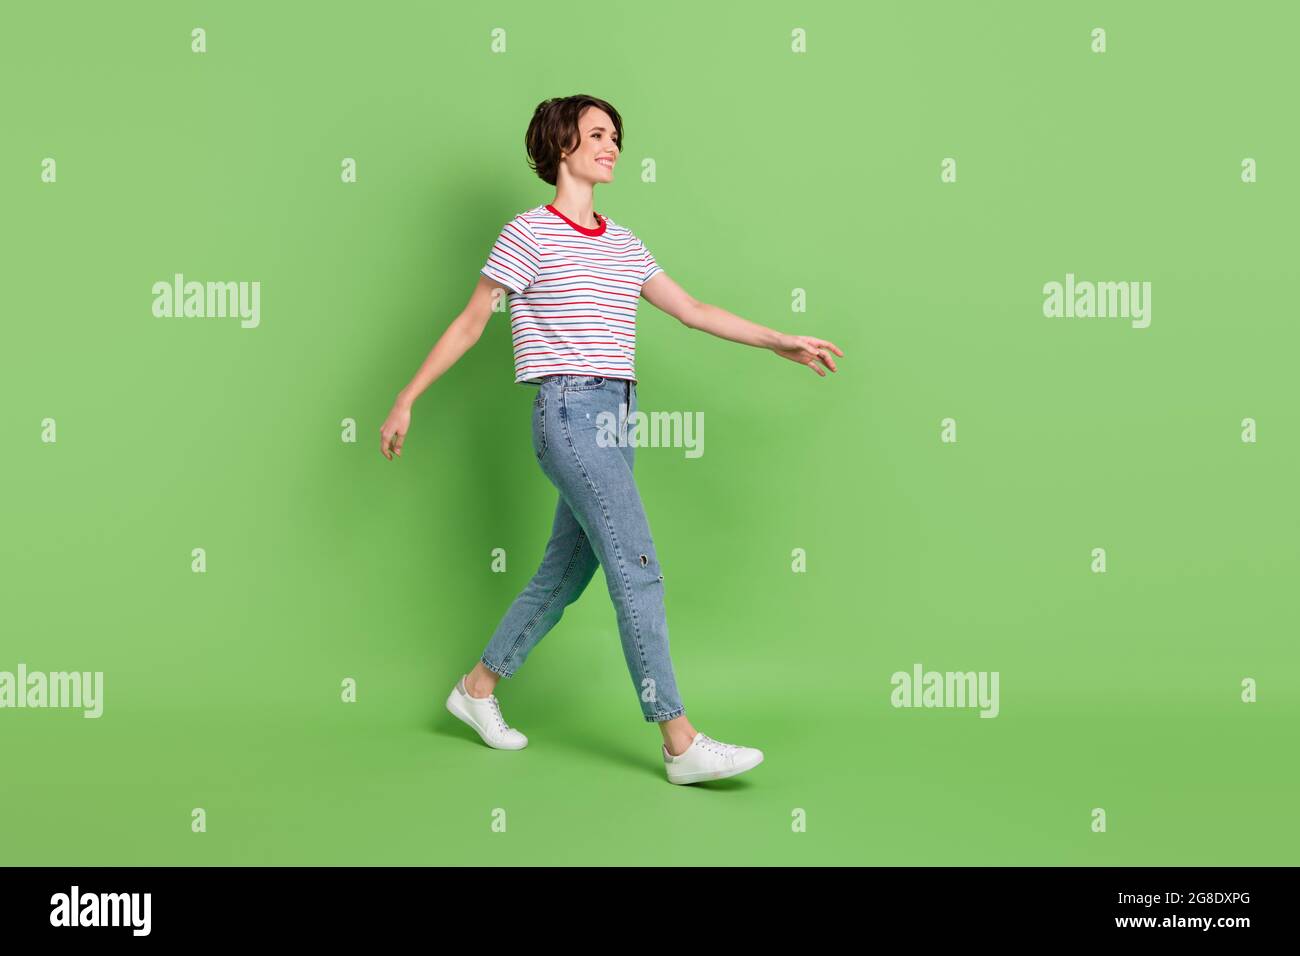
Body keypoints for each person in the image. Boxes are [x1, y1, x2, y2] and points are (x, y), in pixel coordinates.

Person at [380, 94, 842, 785]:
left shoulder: (624, 243)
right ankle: (679, 742)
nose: (612, 145)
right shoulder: (527, 234)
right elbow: (473, 322)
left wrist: (778, 340)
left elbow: (691, 310)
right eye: (598, 133)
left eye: (616, 135)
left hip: (617, 419)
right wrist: (406, 397)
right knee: (638, 567)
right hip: (568, 411)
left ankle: (477, 689)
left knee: (564, 574)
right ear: (562, 145)